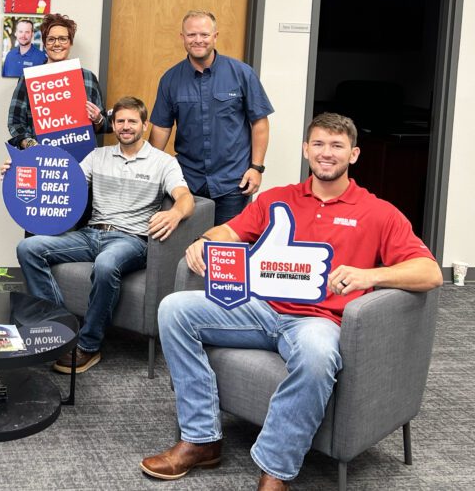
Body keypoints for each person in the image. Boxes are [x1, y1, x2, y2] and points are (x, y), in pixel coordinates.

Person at [140, 113, 441, 489]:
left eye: (336, 146)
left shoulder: (378, 212)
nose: (326, 153)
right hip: (260, 308)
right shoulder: (277, 199)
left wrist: (371, 275)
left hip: (319, 322)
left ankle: (275, 470)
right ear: (305, 149)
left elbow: (430, 273)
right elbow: (230, 231)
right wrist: (207, 240)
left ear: (354, 155)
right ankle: (201, 439)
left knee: (318, 357)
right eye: (318, 144)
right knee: (173, 309)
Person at [10, 97, 194, 373]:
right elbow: (60, 180)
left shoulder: (162, 162)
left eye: (132, 121)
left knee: (106, 264)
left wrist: (175, 213)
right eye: (120, 121)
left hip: (131, 240)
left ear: (145, 125)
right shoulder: (98, 156)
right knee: (29, 248)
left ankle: (88, 345)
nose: (126, 126)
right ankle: (60, 328)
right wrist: (17, 170)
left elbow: (185, 198)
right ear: (114, 125)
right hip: (90, 234)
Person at [149, 10, 274, 225]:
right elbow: (161, 128)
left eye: (204, 34)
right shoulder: (170, 79)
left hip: (234, 181)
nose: (198, 40)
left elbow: (259, 123)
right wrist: (147, 169)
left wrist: (256, 168)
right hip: (187, 182)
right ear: (182, 38)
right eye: (191, 35)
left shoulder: (242, 73)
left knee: (225, 248)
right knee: (185, 248)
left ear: (215, 36)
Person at [7, 13, 108, 149]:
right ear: (44, 43)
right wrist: (30, 144)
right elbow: (15, 122)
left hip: (82, 159)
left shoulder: (88, 78)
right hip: (42, 158)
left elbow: (104, 125)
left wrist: (98, 120)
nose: (57, 44)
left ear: (70, 42)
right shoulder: (29, 78)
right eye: (51, 39)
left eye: (63, 39)